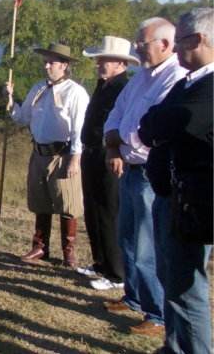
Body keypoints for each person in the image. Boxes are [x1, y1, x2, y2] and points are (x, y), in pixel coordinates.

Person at [101, 17, 187, 336]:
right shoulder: (141, 77)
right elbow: (116, 113)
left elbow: (148, 132)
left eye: (143, 44)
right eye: (137, 44)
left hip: (151, 174)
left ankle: (157, 314)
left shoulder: (175, 78)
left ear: (165, 44)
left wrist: (118, 140)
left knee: (147, 245)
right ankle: (134, 297)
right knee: (127, 238)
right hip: (128, 169)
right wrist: (114, 144)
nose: (138, 50)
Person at [139, 7, 214, 354]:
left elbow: (180, 124)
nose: (177, 48)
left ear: (198, 40)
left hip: (194, 199)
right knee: (170, 278)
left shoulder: (211, 86)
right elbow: (150, 121)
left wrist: (158, 126)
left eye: (181, 40)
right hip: (172, 196)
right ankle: (175, 346)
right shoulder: (188, 82)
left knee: (186, 287)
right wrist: (157, 126)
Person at [3, 43, 89, 268]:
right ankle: (40, 247)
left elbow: (80, 128)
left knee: (67, 203)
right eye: (45, 62)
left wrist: (75, 157)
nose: (47, 66)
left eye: (51, 62)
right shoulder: (38, 89)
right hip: (38, 153)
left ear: (64, 65)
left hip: (62, 155)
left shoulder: (76, 92)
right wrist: (10, 101)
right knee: (40, 202)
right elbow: (23, 119)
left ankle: (68, 251)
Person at [77, 36, 139, 290]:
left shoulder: (124, 88)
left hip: (109, 156)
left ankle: (116, 274)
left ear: (119, 63)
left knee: (108, 211)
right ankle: (100, 263)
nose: (97, 64)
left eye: (102, 60)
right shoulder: (103, 85)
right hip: (90, 154)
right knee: (92, 209)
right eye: (97, 60)